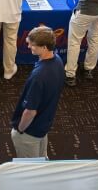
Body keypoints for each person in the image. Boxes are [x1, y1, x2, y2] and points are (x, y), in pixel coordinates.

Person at [10, 25, 64, 158]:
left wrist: (21, 129)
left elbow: (30, 111)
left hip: (29, 133)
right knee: (41, 161)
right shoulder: (58, 61)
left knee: (29, 169)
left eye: (32, 45)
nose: (29, 47)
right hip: (43, 127)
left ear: (44, 47)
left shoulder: (39, 76)